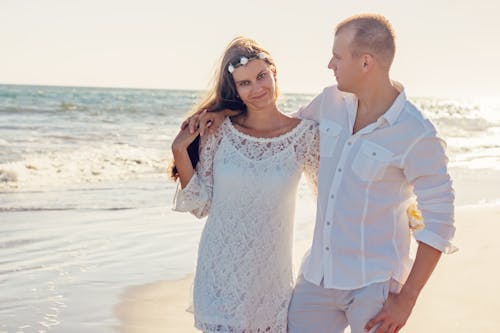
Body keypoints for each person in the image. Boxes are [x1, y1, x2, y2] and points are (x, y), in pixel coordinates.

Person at [188, 14, 456, 333]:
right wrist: (225, 111)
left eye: (338, 56)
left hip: (374, 284)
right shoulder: (329, 103)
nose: (330, 64)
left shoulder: (416, 134)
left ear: (366, 62)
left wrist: (407, 298)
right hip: (317, 278)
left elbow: (440, 223)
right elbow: (278, 131)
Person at [170, 36, 320, 333]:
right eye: (245, 83)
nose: (257, 88)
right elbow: (200, 205)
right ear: (235, 90)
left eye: (261, 76)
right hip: (219, 272)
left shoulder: (306, 136)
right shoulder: (219, 131)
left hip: (269, 280)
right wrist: (179, 151)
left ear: (274, 74)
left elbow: (331, 199)